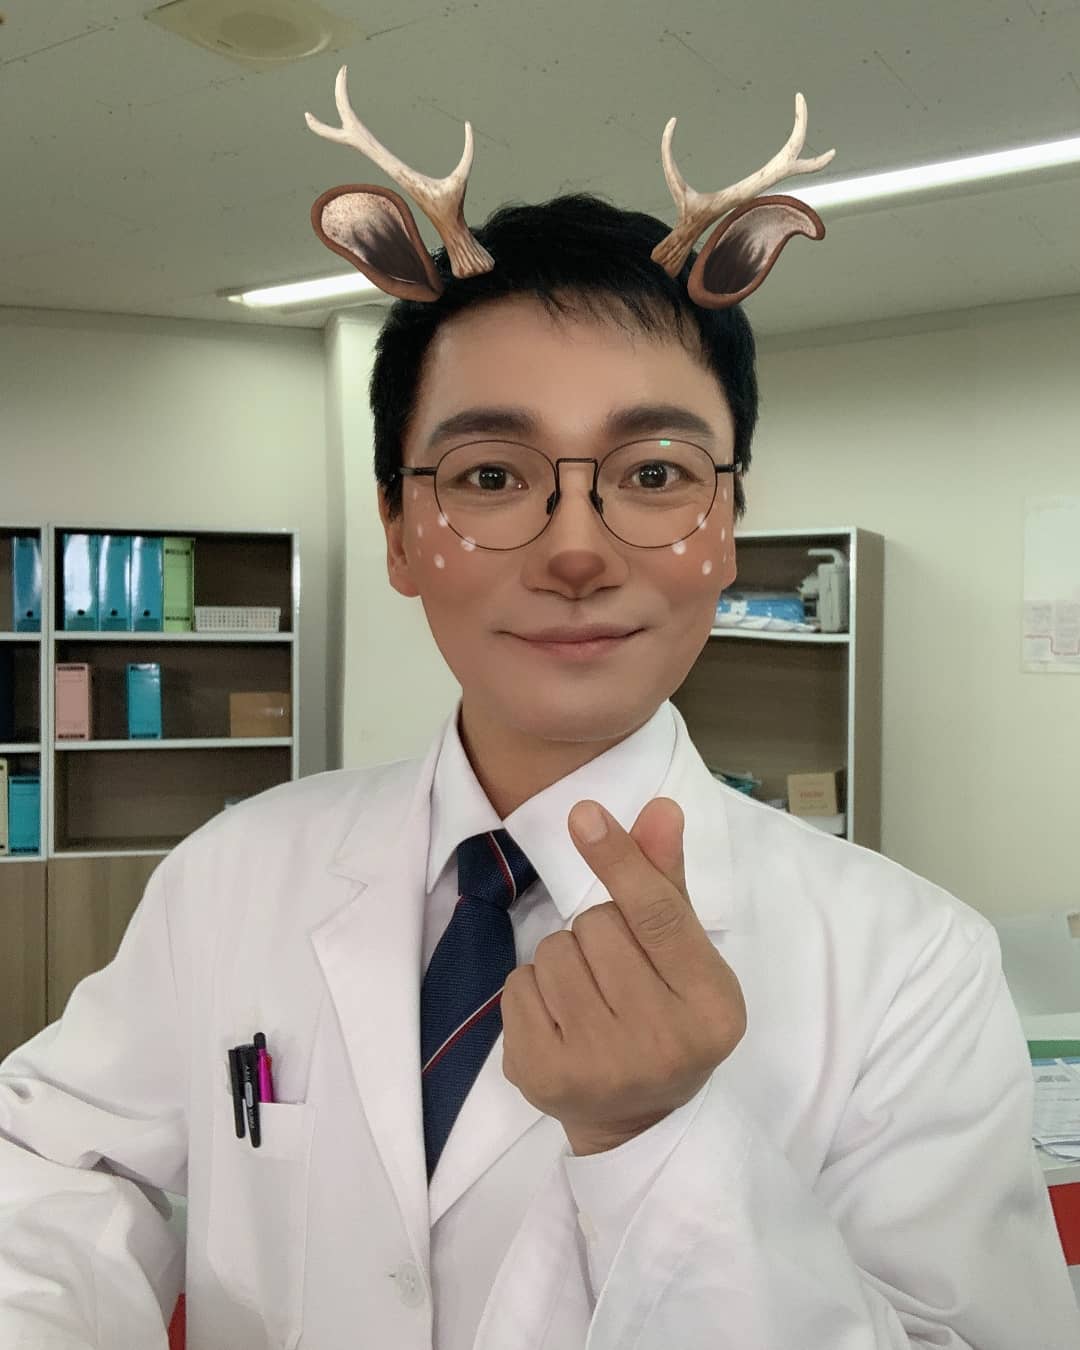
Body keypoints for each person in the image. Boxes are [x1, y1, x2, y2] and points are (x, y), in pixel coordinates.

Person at [2, 72, 1078, 1350]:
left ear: (729, 526)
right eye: (490, 475)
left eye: (656, 472)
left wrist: (655, 1141)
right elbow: (56, 1168)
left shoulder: (909, 966)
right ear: (398, 530)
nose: (578, 549)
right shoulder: (233, 875)